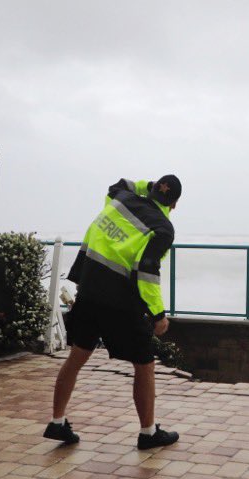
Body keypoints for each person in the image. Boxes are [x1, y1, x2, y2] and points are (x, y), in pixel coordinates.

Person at [43, 175, 182, 450]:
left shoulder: (122, 198)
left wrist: (147, 185)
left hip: (89, 290)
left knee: (76, 357)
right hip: (120, 303)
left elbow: (119, 183)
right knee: (144, 365)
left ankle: (57, 422)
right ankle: (148, 433)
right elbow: (147, 272)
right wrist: (158, 314)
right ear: (175, 204)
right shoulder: (163, 228)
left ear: (153, 189)